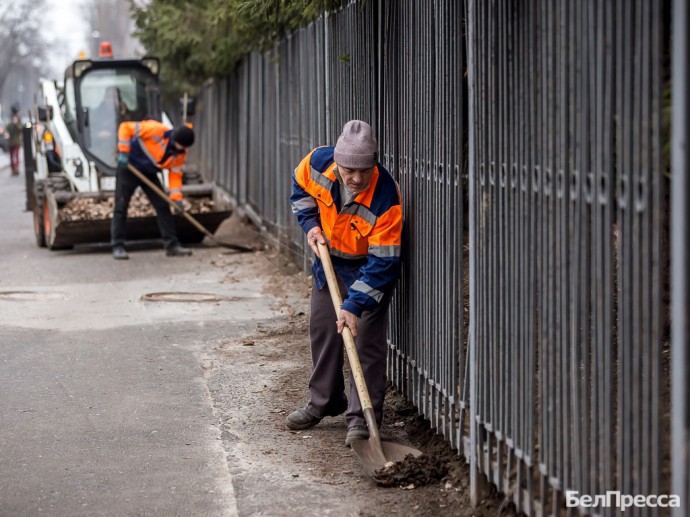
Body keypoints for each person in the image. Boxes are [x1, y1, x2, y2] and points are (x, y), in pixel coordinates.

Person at [286, 120, 403, 447]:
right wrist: (310, 224)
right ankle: (324, 402)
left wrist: (354, 306)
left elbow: (384, 262)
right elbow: (299, 188)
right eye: (349, 169)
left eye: (363, 171)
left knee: (364, 339)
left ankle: (362, 419)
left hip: (370, 270)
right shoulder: (318, 164)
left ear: (374, 163)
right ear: (337, 162)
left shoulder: (385, 199)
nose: (355, 178)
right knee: (324, 329)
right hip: (330, 261)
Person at [112, 120, 195, 260]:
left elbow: (175, 175)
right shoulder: (155, 129)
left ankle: (172, 245)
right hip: (129, 167)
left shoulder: (180, 152)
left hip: (149, 173)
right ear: (175, 138)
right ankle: (118, 246)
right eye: (181, 145)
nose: (182, 149)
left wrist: (177, 199)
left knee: (163, 205)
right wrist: (124, 152)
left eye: (184, 147)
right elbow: (125, 127)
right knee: (121, 206)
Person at [5, 106, 23, 176]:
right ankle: (13, 169)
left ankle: (16, 168)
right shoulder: (10, 121)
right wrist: (6, 133)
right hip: (10, 142)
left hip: (17, 142)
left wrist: (16, 124)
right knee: (11, 156)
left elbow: (20, 129)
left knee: (16, 156)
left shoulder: (19, 120)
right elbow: (6, 127)